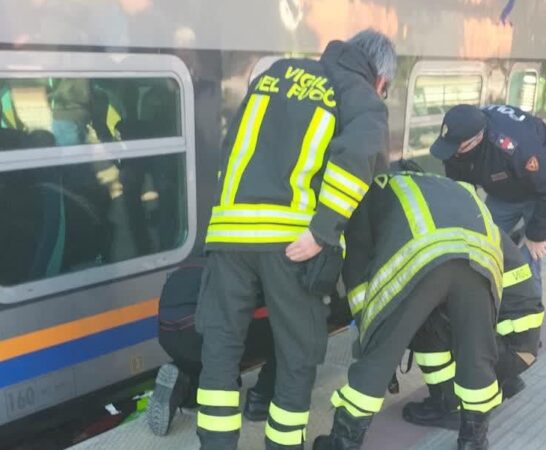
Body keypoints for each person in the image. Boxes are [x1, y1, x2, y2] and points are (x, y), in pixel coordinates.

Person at [195, 29, 395, 450]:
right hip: (291, 242)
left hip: (229, 233)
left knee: (220, 351)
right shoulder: (359, 95)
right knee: (297, 356)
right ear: (380, 78)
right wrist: (323, 230)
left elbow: (234, 146)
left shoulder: (277, 74)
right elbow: (360, 159)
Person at [315, 163, 504, 450]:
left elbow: (356, 273)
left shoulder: (373, 191)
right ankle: (472, 441)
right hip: (482, 261)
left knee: (379, 358)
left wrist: (372, 334)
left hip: (422, 258)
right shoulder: (448, 185)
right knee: (476, 355)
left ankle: (343, 442)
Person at [429, 104, 546, 292]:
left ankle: (526, 313)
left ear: (477, 139)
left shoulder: (513, 146)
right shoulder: (457, 141)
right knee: (480, 242)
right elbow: (460, 186)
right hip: (507, 190)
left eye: (458, 149)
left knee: (527, 262)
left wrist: (536, 235)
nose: (453, 154)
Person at [402, 231, 544, 429]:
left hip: (509, 349)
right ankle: (502, 379)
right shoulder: (475, 224)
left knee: (427, 323)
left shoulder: (442, 235)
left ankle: (449, 405)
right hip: (522, 344)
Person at [147, 262, 277, 437]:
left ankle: (183, 383)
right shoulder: (262, 265)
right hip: (203, 327)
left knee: (210, 365)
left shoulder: (215, 255)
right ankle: (261, 400)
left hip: (169, 331)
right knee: (290, 336)